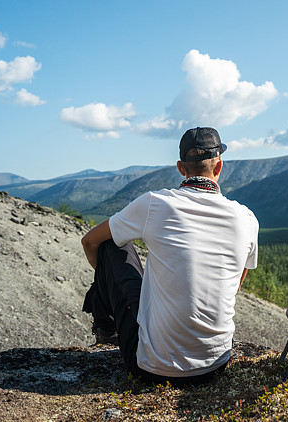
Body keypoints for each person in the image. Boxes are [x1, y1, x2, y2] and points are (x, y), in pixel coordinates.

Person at [80, 127, 258, 386]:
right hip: (216, 365)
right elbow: (234, 288)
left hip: (153, 368)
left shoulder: (155, 203)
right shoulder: (247, 219)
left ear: (180, 167)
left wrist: (110, 289)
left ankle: (106, 329)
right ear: (219, 167)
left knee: (111, 244)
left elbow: (89, 241)